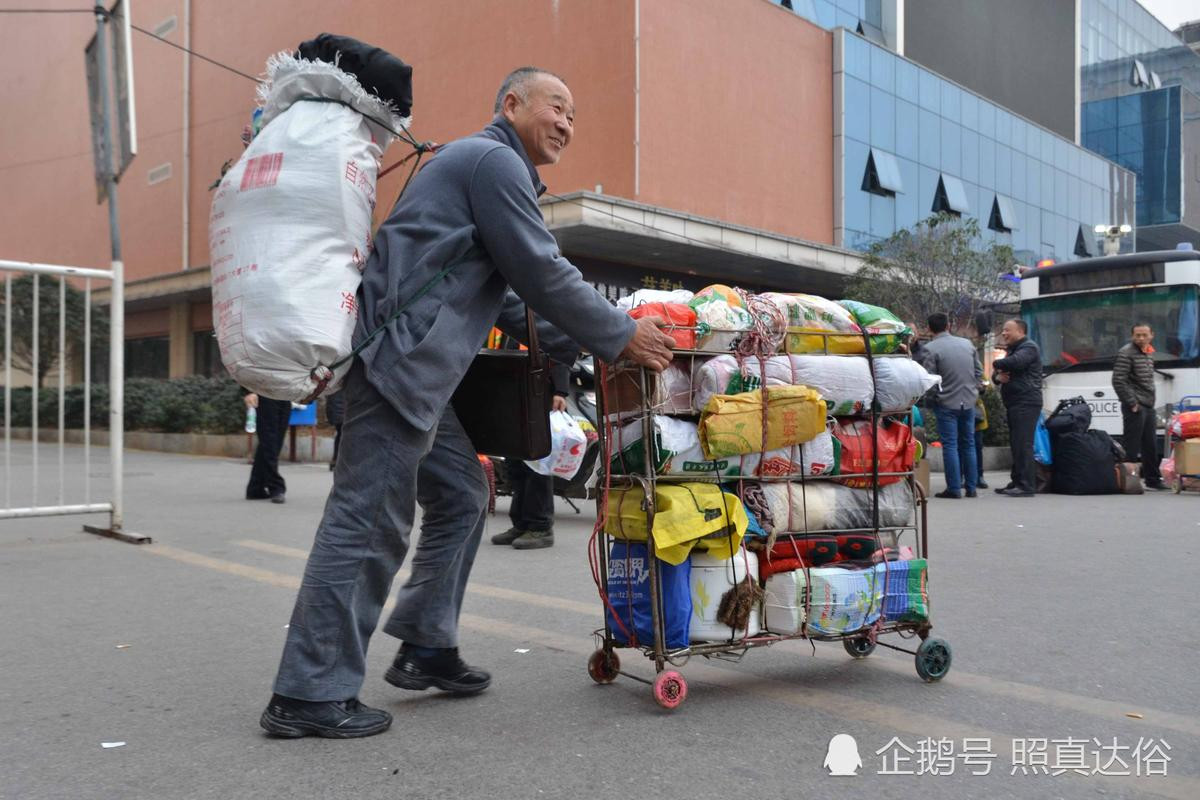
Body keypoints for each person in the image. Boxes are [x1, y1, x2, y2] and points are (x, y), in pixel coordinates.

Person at [260, 67, 675, 739]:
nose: (568, 123)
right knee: (367, 524)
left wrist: (594, 346)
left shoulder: (482, 168)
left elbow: (513, 298)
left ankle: (426, 641)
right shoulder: (490, 161)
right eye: (557, 106)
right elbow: (540, 269)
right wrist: (624, 336)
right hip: (398, 365)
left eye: (575, 114)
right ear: (511, 103)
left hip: (422, 375)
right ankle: (308, 692)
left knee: (459, 494)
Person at [492, 361, 571, 550]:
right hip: (516, 391)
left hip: (540, 392)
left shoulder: (547, 329)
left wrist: (560, 391)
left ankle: (540, 527)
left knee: (538, 464)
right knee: (516, 464)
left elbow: (561, 348)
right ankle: (520, 524)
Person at [918, 313, 982, 498]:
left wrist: (933, 398)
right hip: (968, 401)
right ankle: (971, 487)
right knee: (968, 444)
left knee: (950, 445)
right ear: (948, 326)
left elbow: (930, 379)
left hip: (946, 403)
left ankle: (954, 488)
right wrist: (972, 390)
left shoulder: (930, 349)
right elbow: (978, 372)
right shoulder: (967, 344)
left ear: (929, 329)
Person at [1112, 322, 1167, 490]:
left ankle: (1153, 480)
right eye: (1137, 335)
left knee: (1150, 444)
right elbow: (1118, 380)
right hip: (1135, 405)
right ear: (1132, 336)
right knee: (1132, 445)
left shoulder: (1148, 352)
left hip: (1148, 404)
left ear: (1152, 335)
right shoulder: (1126, 352)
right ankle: (1128, 482)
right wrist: (1131, 402)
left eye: (1144, 335)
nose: (1141, 338)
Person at [991, 319, 1042, 497]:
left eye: (1007, 330)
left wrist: (997, 365)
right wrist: (998, 378)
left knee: (1023, 444)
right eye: (1003, 330)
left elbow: (1015, 363)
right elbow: (996, 375)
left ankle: (1027, 485)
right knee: (1016, 443)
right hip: (1014, 402)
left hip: (1026, 401)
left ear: (1020, 331)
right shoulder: (1012, 350)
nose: (1004, 333)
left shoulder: (1029, 347)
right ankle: (1017, 481)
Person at [244, 392, 292, 504]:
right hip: (264, 394)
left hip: (283, 394)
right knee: (269, 441)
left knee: (274, 442)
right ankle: (276, 486)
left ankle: (256, 486)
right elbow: (249, 373)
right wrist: (249, 391)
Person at [324, 389, 345, 471]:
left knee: (340, 433)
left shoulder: (334, 384)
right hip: (341, 410)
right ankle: (337, 460)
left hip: (336, 410)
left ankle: (335, 459)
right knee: (342, 434)